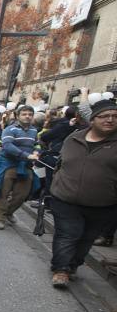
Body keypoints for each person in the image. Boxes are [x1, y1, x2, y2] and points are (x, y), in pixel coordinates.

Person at [48, 98, 117, 289]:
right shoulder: (74, 138)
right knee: (68, 234)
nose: (110, 120)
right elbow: (61, 162)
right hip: (65, 199)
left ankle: (72, 265)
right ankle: (60, 269)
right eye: (104, 116)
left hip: (102, 204)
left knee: (86, 238)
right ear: (93, 120)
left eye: (114, 116)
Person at [0, 106, 40, 230]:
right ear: (18, 116)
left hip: (26, 166)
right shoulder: (9, 129)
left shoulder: (34, 131)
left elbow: (37, 144)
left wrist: (37, 152)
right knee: (3, 193)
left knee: (22, 194)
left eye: (30, 114)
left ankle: (8, 213)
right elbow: (7, 146)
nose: (27, 116)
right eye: (24, 114)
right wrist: (26, 155)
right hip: (9, 164)